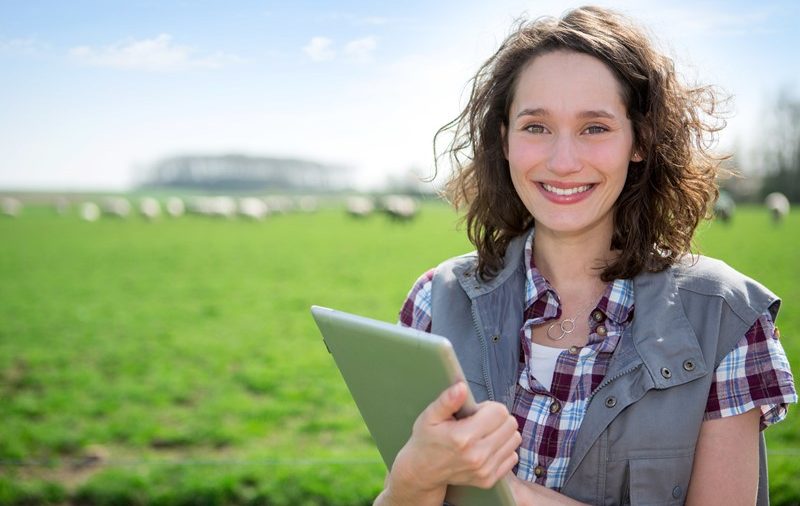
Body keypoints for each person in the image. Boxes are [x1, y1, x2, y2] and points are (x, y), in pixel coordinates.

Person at [374, 6, 796, 506]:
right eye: (536, 127)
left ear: (639, 141)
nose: (563, 161)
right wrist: (411, 478)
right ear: (504, 140)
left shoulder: (725, 318)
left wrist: (508, 494)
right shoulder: (433, 303)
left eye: (595, 128)